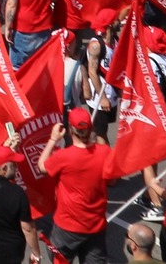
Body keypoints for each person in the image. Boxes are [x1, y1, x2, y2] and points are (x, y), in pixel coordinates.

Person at [40, 108, 114, 263]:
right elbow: (112, 180)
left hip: (67, 226)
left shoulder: (63, 157)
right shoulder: (105, 152)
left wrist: (53, 139)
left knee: (60, 259)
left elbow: (41, 167)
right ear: (91, 128)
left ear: (69, 130)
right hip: (96, 225)